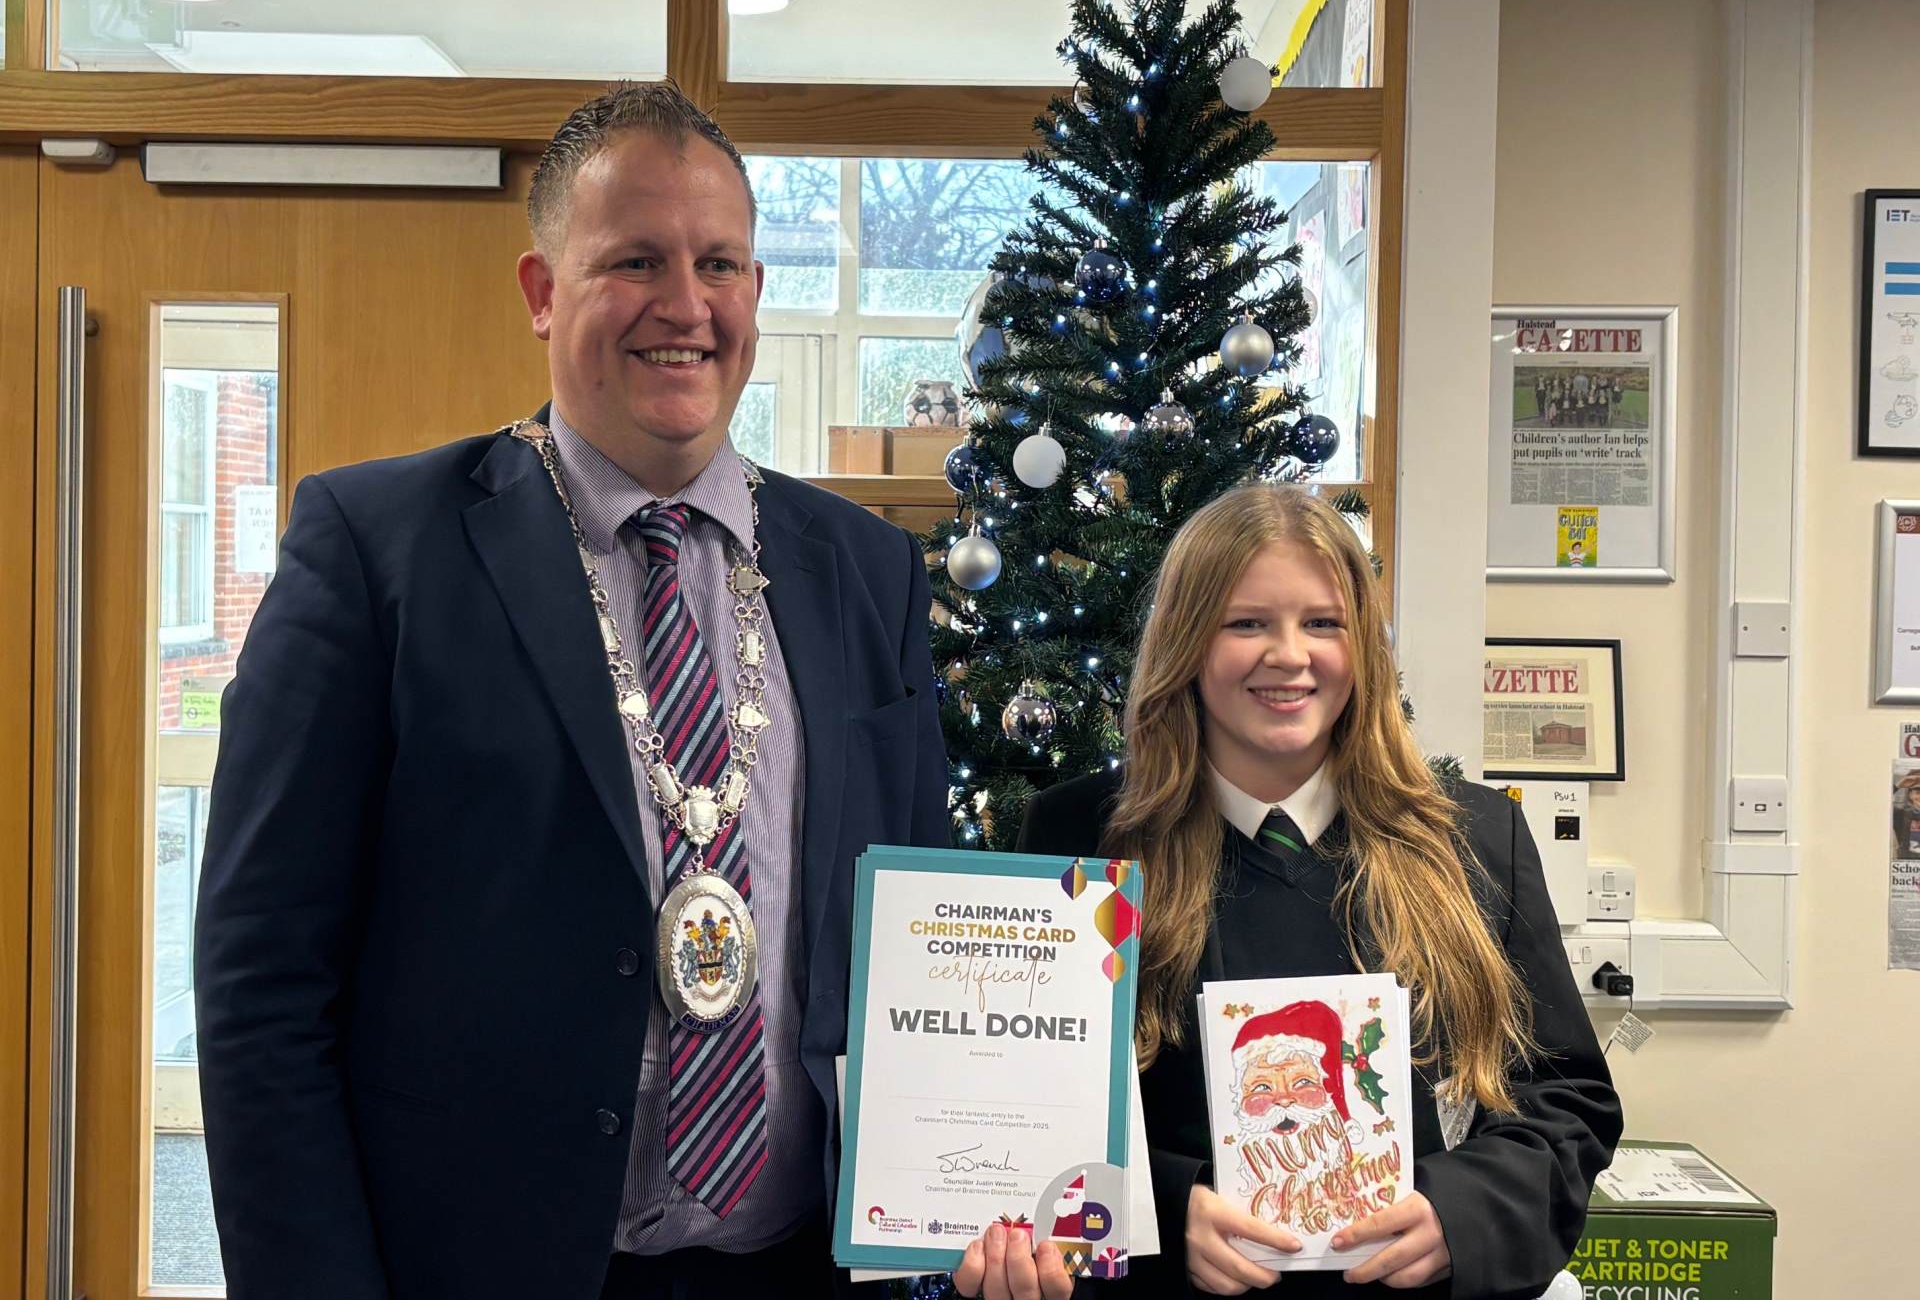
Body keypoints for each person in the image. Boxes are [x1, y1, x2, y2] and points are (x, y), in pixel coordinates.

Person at [195, 82, 957, 1300]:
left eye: (719, 263)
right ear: (543, 292)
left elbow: (920, 938)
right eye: (635, 261)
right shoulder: (378, 551)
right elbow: (262, 985)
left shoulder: (866, 570)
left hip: (798, 1269)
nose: (686, 305)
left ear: (756, 291)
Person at [1019, 484, 1621, 1298]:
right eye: (1246, 623)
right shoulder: (1081, 839)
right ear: (1187, 642)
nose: (1289, 655)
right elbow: (1035, 1103)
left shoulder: (1476, 839)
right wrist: (1157, 1213)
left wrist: (1459, 1215)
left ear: (1363, 646)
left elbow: (1567, 1101)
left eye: (1323, 623)